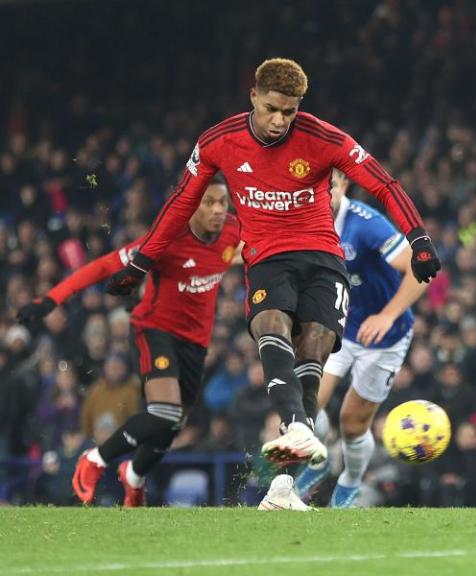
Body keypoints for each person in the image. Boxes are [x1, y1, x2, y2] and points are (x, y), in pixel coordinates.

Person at [102, 58, 439, 510]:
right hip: (266, 256)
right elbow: (183, 202)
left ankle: (281, 489)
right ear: (254, 97)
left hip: (321, 256)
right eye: (273, 109)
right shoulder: (219, 141)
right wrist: (142, 262)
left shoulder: (324, 139)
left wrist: (418, 239)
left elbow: (383, 183)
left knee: (315, 343)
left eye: (290, 111)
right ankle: (298, 427)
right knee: (271, 323)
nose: (280, 120)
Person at [17, 181, 240, 507]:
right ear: (191, 205)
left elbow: (254, 249)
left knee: (173, 423)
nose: (219, 210)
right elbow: (105, 265)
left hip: (196, 341)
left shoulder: (234, 229)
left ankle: (133, 477)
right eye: (209, 203)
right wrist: (51, 299)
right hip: (156, 330)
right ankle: (95, 459)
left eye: (223, 202)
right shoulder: (165, 239)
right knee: (164, 412)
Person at [292, 169, 426, 508]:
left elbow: (419, 269)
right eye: (314, 190)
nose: (322, 197)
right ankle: (318, 462)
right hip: (339, 326)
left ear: (344, 186)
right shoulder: (304, 222)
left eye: (330, 188)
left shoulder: (366, 224)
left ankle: (350, 481)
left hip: (384, 337)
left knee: (351, 424)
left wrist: (388, 315)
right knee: (304, 404)